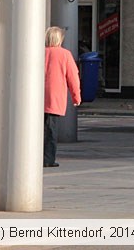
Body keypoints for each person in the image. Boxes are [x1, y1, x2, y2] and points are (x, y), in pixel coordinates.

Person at [44, 26, 81, 168]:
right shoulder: (65, 54)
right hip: (54, 96)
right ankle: (48, 159)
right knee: (51, 130)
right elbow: (73, 78)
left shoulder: (39, 52)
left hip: (37, 98)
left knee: (38, 129)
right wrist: (76, 97)